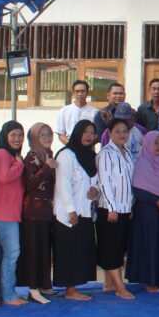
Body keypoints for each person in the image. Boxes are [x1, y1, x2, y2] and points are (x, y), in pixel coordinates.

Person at [53, 120, 100, 301]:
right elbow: (63, 184)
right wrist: (70, 210)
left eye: (92, 133)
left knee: (80, 250)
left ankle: (75, 287)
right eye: (85, 132)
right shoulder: (66, 155)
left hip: (85, 212)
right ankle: (70, 290)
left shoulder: (91, 156)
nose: (89, 136)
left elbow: (95, 181)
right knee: (69, 251)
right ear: (77, 133)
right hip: (69, 214)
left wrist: (96, 191)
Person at [127, 131, 159, 293]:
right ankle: (149, 280)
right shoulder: (142, 163)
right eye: (156, 143)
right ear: (147, 144)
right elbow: (137, 189)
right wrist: (157, 201)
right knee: (149, 244)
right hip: (148, 211)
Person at [96, 118, 135, 300]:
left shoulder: (127, 152)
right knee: (111, 248)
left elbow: (129, 182)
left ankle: (109, 283)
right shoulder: (106, 153)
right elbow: (104, 182)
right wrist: (111, 208)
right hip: (110, 210)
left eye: (124, 131)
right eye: (117, 131)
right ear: (110, 133)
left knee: (118, 247)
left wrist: (131, 206)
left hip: (125, 209)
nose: (122, 134)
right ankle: (120, 287)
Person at [0, 121, 27, 306]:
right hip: (4, 212)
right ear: (5, 136)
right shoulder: (2, 154)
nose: (17, 139)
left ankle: (2, 291)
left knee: (6, 253)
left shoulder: (11, 154)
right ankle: (8, 294)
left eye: (20, 135)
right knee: (12, 253)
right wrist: (20, 165)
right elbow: (4, 177)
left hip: (11, 212)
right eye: (13, 135)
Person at [19, 123, 58, 305]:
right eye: (42, 135)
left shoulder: (48, 155)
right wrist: (47, 168)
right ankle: (33, 288)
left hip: (47, 211)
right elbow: (29, 184)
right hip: (33, 212)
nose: (47, 138)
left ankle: (43, 284)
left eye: (49, 134)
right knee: (34, 251)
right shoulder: (31, 158)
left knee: (44, 249)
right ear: (35, 138)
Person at [55, 80, 99, 145]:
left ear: (87, 92)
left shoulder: (95, 112)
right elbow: (61, 134)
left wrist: (86, 145)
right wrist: (71, 145)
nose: (80, 94)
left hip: (88, 148)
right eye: (77, 91)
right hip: (69, 147)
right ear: (73, 93)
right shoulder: (64, 110)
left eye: (82, 91)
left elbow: (97, 134)